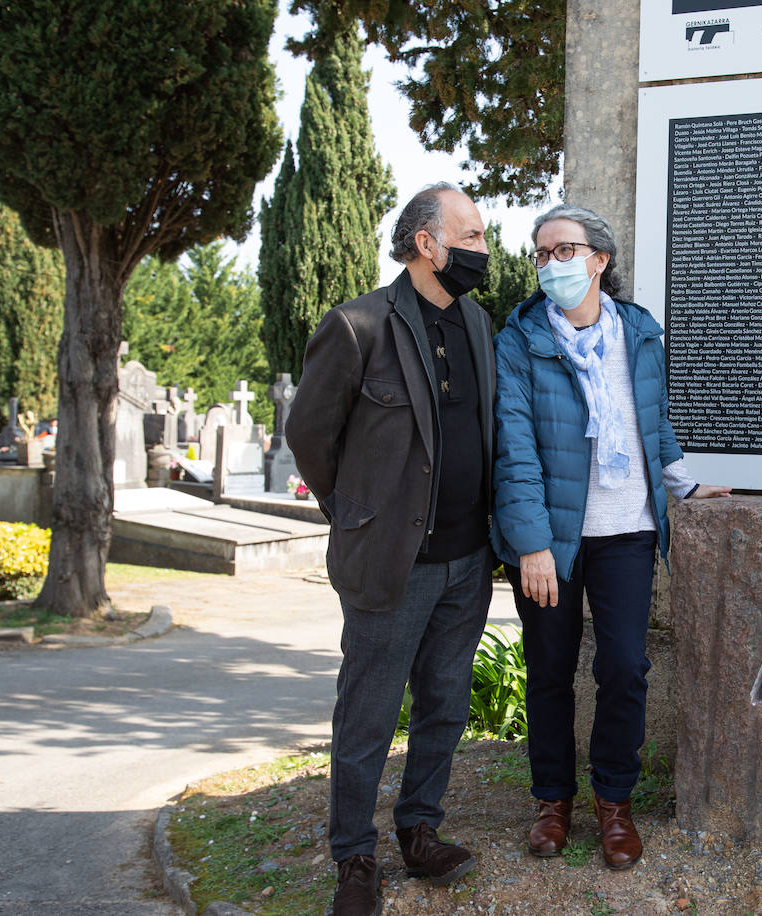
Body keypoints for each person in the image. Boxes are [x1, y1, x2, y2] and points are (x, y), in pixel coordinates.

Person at [492, 204, 730, 870]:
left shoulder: (640, 332)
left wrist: (683, 483)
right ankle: (553, 801)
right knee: (548, 672)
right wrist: (533, 544)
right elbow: (513, 448)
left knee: (625, 667)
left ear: (599, 259)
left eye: (562, 250)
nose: (549, 265)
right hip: (552, 538)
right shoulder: (519, 340)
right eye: (540, 254)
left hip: (627, 530)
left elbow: (652, 421)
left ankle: (615, 804)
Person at [286, 183, 496, 916]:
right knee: (368, 714)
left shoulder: (477, 324)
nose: (482, 249)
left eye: (482, 236)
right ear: (426, 243)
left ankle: (419, 829)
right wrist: (355, 514)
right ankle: (354, 857)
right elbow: (309, 434)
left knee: (444, 704)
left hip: (469, 561)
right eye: (468, 235)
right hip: (391, 565)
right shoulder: (357, 326)